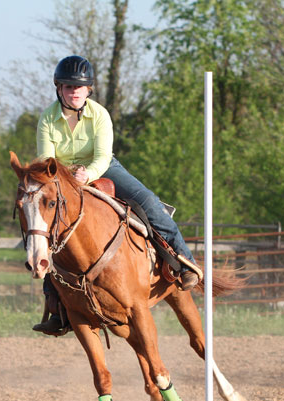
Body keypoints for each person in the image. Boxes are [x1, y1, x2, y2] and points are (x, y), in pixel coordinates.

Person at [32, 55, 204, 335]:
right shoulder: (47, 119)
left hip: (104, 169)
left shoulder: (100, 114)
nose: (73, 92)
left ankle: (183, 261)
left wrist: (87, 174)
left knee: (147, 200)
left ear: (89, 90)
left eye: (79, 87)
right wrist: (62, 179)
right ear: (58, 89)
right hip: (63, 179)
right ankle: (56, 303)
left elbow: (101, 156)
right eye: (67, 87)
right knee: (42, 226)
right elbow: (45, 160)